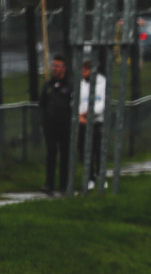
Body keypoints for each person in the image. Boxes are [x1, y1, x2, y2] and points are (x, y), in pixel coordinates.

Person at [39, 55, 73, 194]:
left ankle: (64, 185)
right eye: (54, 66)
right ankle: (49, 184)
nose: (55, 69)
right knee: (51, 154)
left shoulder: (70, 85)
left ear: (64, 68)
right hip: (51, 127)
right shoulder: (48, 85)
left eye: (58, 66)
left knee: (65, 155)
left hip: (66, 126)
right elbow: (42, 104)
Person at [78, 60, 107, 190]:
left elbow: (102, 103)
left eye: (84, 70)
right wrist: (80, 115)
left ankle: (101, 176)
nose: (82, 73)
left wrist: (90, 113)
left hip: (97, 122)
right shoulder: (81, 84)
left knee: (98, 151)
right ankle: (90, 177)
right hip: (84, 123)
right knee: (86, 151)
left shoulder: (102, 83)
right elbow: (76, 101)